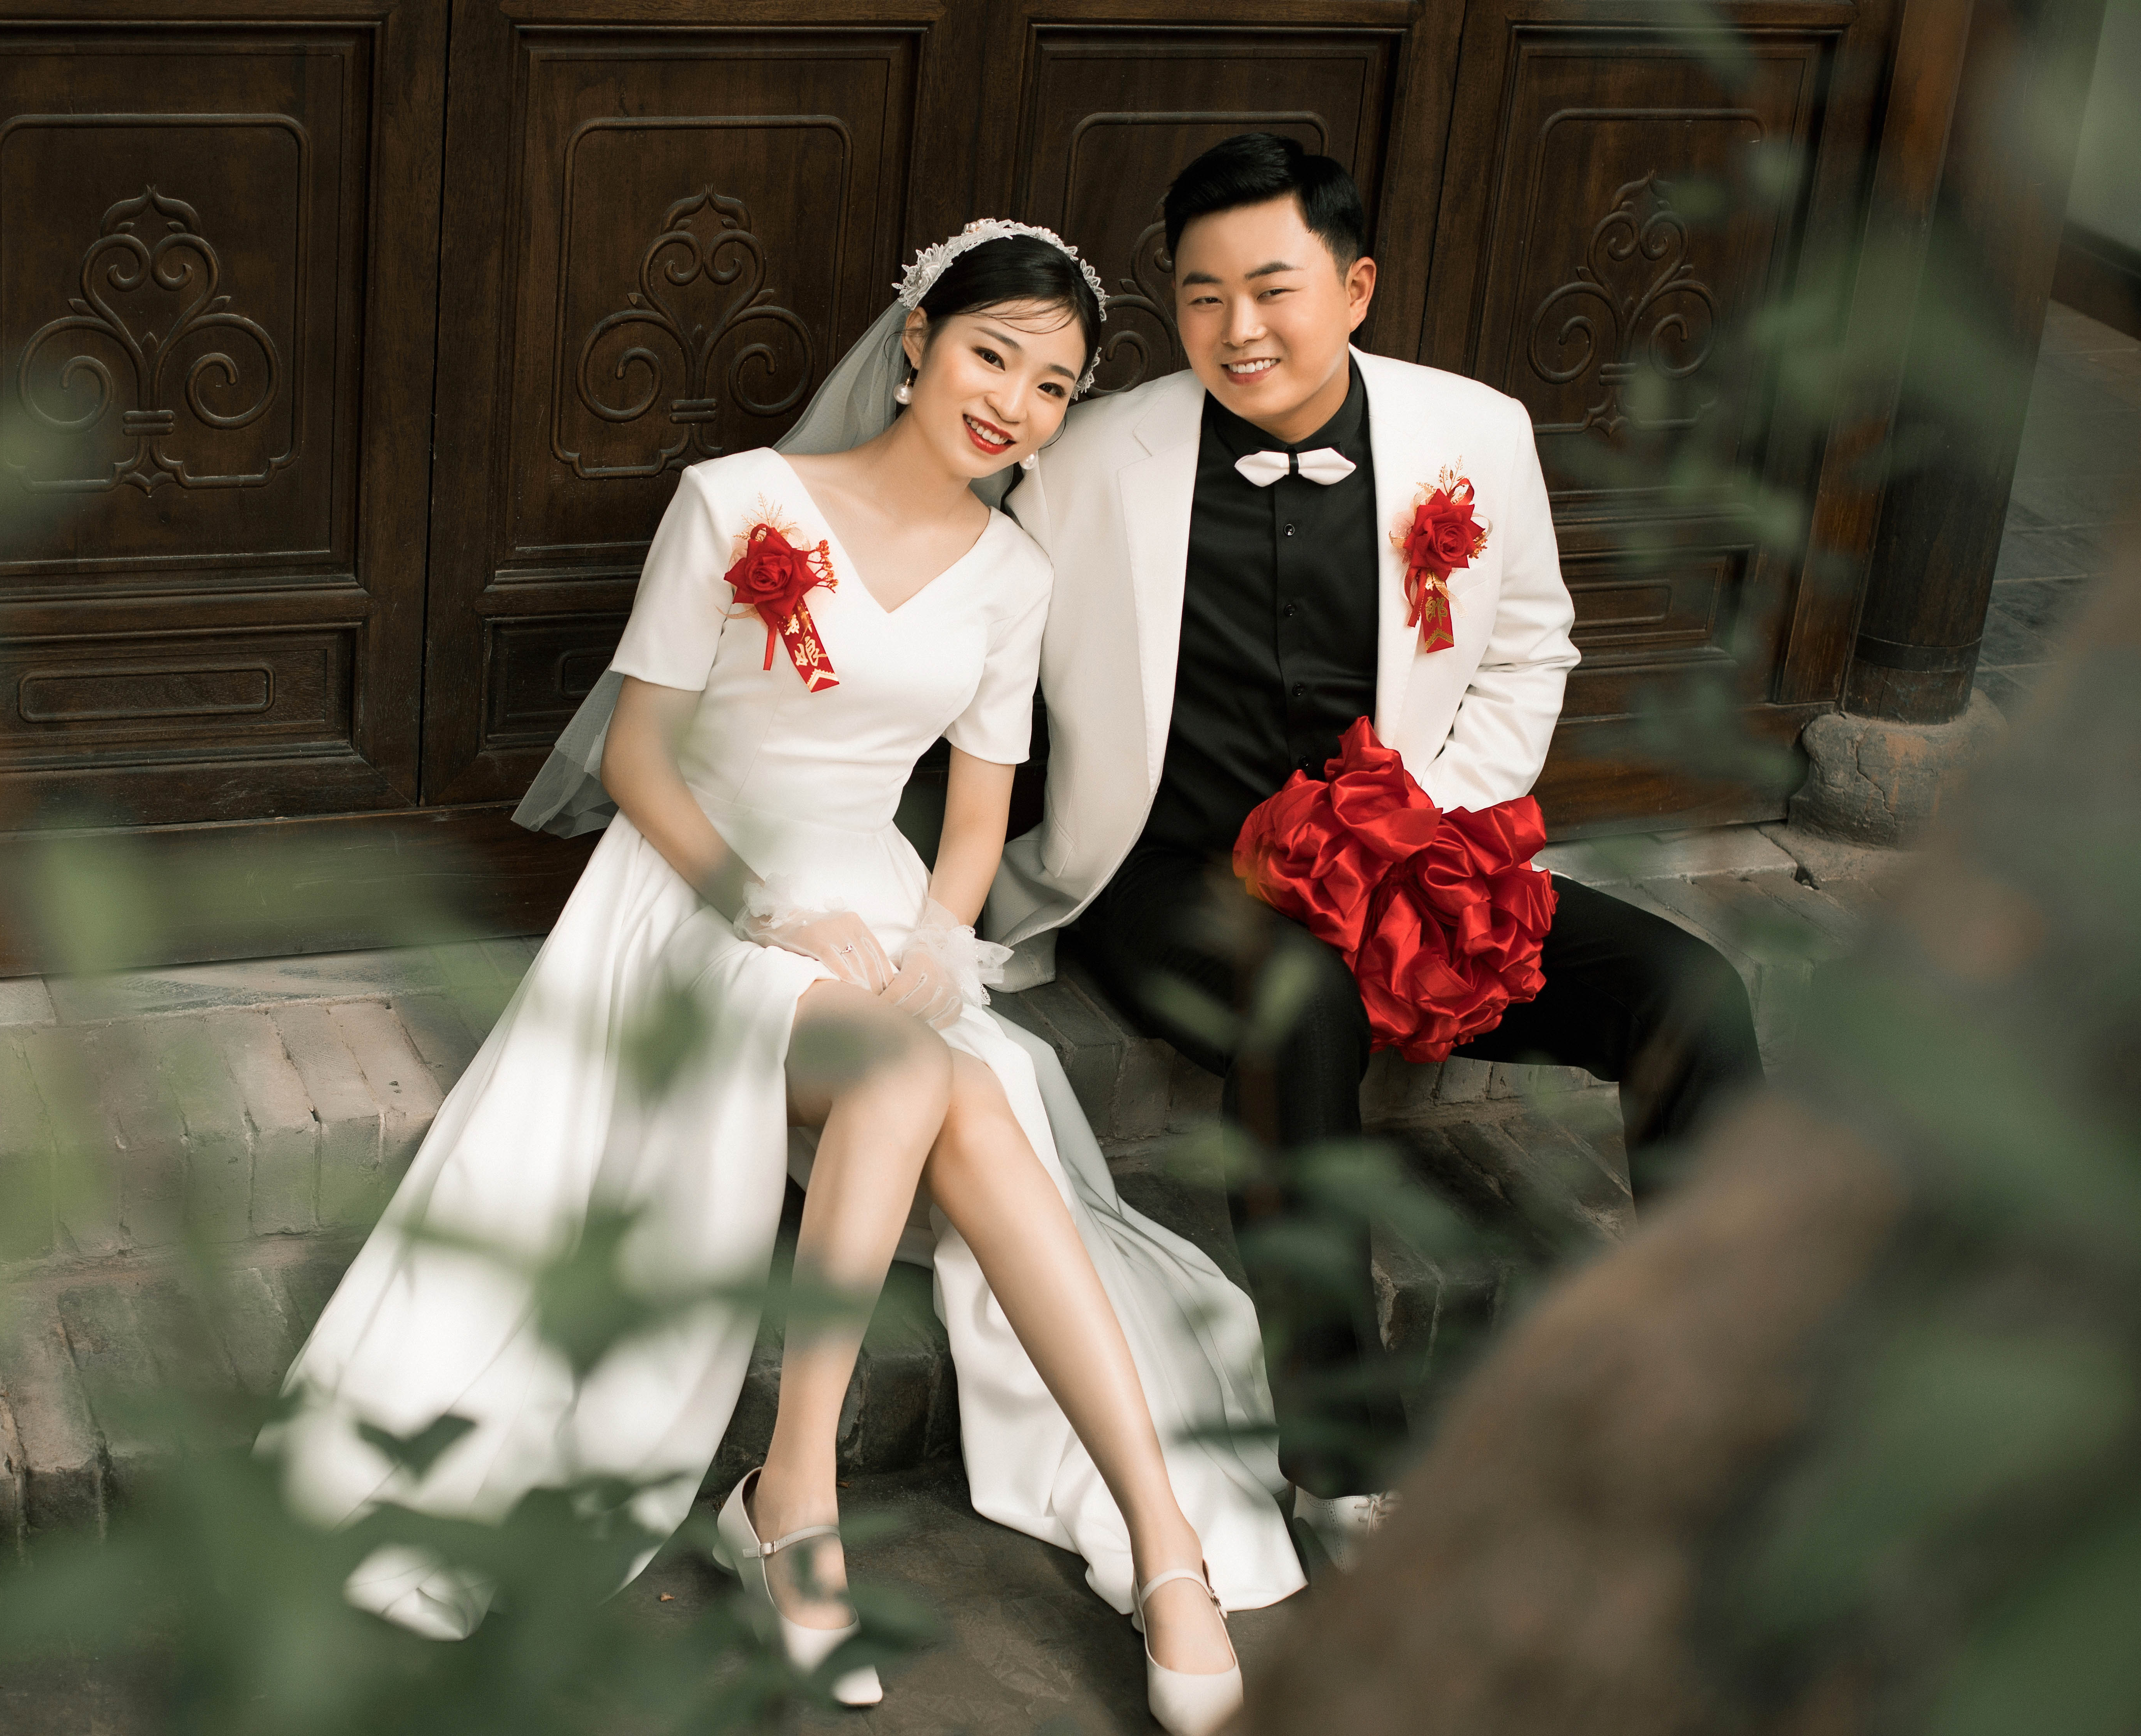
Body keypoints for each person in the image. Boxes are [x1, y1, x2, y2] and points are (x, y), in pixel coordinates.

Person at [268, 220, 1300, 1735]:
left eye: (1054, 386)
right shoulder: (736, 501)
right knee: (917, 1078)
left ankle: (1161, 1546)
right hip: (700, 888)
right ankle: (802, 1503)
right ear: (917, 342)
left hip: (877, 907)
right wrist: (766, 913)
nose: (1015, 403)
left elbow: (973, 823)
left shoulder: (1012, 575)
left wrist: (936, 949)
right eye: (993, 355)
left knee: (950, 1082)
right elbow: (638, 758)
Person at [989, 135, 1767, 1550]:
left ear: (1354, 289)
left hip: (1416, 863)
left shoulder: (1478, 432)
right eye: (1203, 295)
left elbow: (1530, 649)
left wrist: (1428, 832)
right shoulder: (1090, 460)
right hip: (1173, 874)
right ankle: (1340, 1465)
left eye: (1272, 287)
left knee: (1689, 997)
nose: (1238, 328)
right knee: (1298, 1008)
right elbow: (984, 662)